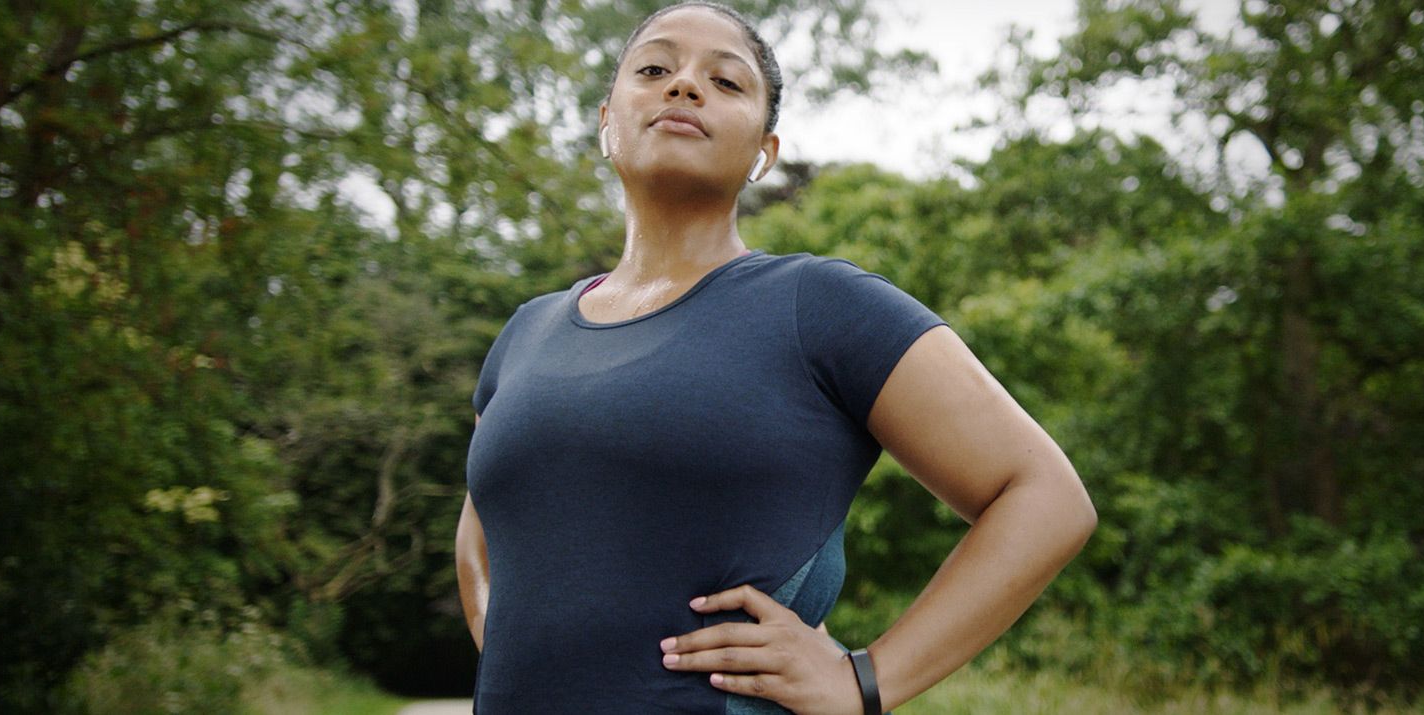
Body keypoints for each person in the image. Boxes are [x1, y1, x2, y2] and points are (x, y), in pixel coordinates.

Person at [454, 3, 1096, 713]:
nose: (684, 86)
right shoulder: (526, 331)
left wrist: (866, 678)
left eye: (726, 82)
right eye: (655, 69)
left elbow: (1045, 497)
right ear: (608, 120)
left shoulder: (820, 305)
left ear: (765, 151)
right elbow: (481, 534)